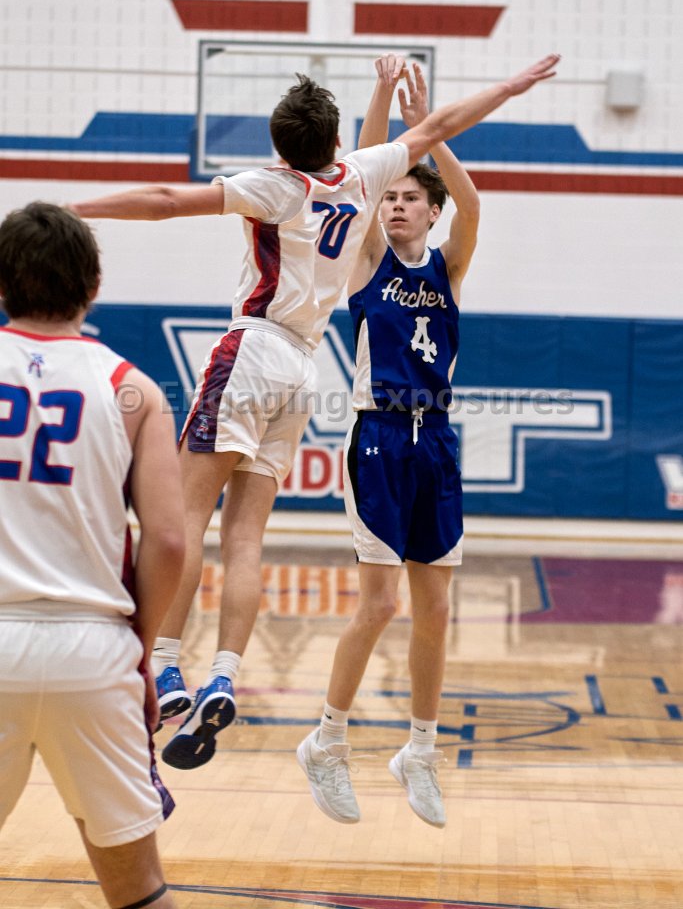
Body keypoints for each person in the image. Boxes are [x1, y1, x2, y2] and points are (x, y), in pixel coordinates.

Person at [71, 53, 560, 772]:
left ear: (278, 145)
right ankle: (224, 676)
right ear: (335, 142)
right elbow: (438, 126)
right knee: (246, 537)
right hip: (302, 369)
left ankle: (164, 667)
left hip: (253, 347)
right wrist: (510, 86)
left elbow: (166, 199)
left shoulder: (274, 185)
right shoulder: (357, 179)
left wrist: (73, 210)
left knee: (185, 519)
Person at [296, 55, 551, 829]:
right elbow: (362, 175)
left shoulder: (449, 266)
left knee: (435, 609)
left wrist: (429, 130)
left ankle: (420, 750)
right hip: (378, 436)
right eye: (391, 196)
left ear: (430, 212)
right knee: (378, 604)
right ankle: (326, 740)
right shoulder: (366, 259)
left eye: (410, 197)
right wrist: (383, 99)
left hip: (434, 442)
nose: (397, 204)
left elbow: (471, 200)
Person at [0, 203, 185, 908]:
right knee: (138, 893)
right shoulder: (132, 389)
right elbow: (169, 540)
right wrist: (140, 650)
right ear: (94, 284)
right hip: (92, 649)